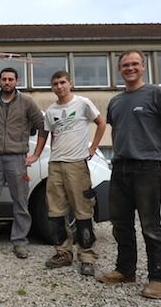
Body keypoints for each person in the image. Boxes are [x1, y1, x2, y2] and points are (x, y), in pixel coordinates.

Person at [98, 50, 161, 299]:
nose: (130, 68)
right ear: (119, 69)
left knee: (150, 226)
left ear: (143, 66)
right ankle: (125, 270)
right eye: (125, 65)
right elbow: (117, 133)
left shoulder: (158, 94)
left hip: (147, 168)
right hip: (120, 168)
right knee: (121, 225)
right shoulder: (115, 101)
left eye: (135, 64)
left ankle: (158, 278)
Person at [0, 67, 47, 259]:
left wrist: (36, 154)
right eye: (3, 79)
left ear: (16, 82)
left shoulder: (27, 103)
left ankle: (20, 241)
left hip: (17, 159)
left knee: (20, 201)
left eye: (10, 79)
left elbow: (43, 127)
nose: (6, 82)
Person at [42, 70, 106, 276]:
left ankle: (87, 256)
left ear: (70, 83)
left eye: (62, 82)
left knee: (82, 210)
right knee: (55, 211)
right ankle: (63, 252)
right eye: (55, 84)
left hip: (77, 165)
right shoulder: (51, 110)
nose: (59, 87)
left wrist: (93, 148)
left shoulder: (83, 103)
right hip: (56, 164)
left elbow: (101, 123)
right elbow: (53, 134)